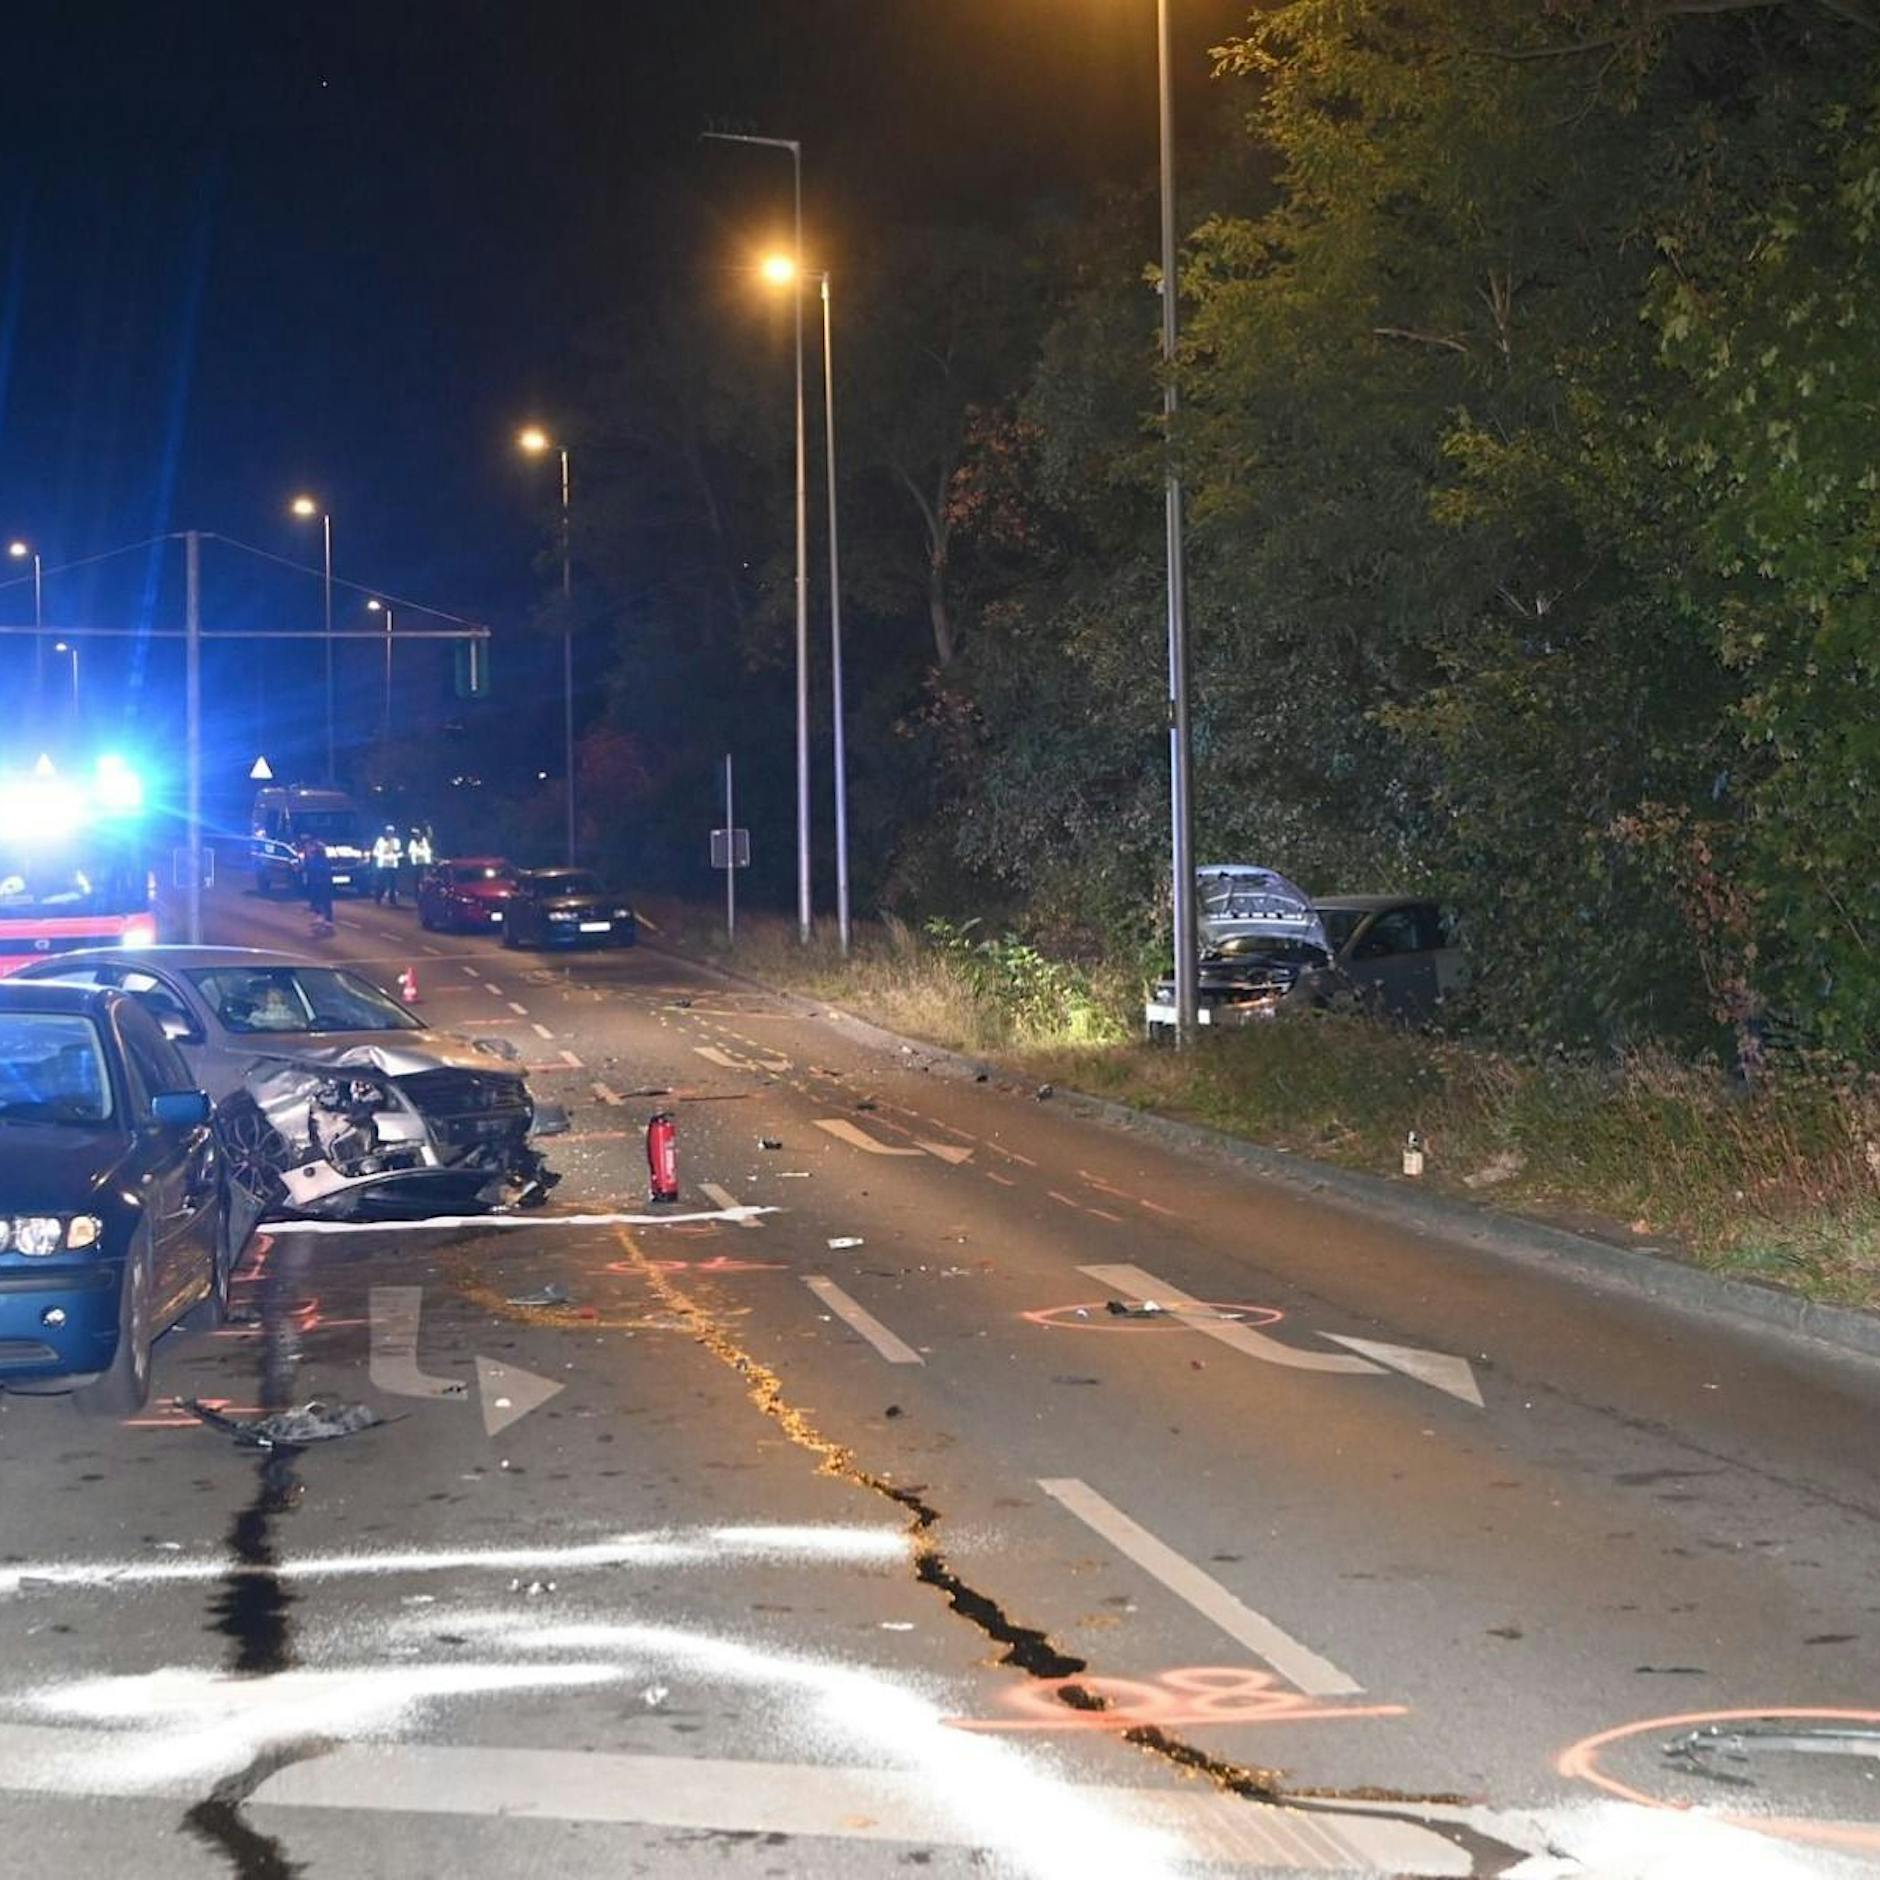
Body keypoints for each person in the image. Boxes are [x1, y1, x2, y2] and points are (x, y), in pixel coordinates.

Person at [300, 835, 335, 933]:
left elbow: (317, 871)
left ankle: (324, 919)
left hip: (320, 884)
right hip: (320, 883)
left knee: (321, 901)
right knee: (321, 901)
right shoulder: (321, 860)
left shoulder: (319, 861)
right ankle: (324, 919)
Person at [371, 825, 404, 905]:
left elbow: (400, 852)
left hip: (392, 865)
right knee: (381, 883)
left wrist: (397, 855)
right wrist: (381, 855)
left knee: (393, 884)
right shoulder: (380, 840)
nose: (389, 833)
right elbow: (374, 852)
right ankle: (378, 898)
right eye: (388, 831)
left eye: (391, 832)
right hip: (382, 865)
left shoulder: (396, 841)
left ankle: (392, 899)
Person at [405, 825, 433, 900]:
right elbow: (410, 852)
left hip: (425, 863)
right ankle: (417, 896)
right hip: (416, 864)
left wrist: (428, 826)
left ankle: (426, 896)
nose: (416, 835)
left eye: (417, 833)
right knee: (416, 881)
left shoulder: (425, 840)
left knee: (425, 880)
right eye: (414, 834)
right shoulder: (412, 842)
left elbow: (430, 835)